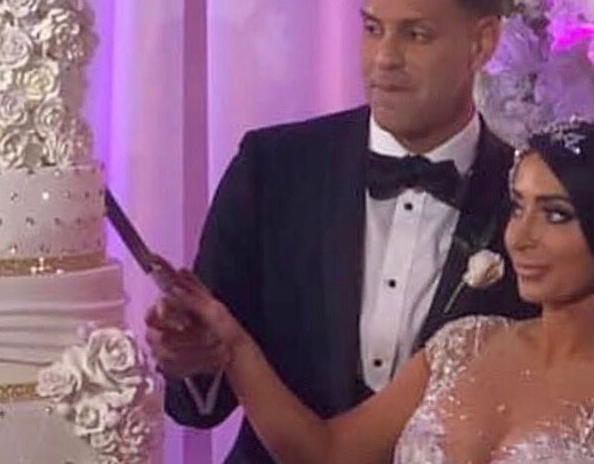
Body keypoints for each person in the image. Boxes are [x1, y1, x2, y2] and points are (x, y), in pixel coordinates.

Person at [148, 0, 534, 463]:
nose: (385, 58)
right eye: (373, 29)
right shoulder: (273, 168)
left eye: (416, 35)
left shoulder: (529, 198)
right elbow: (200, 397)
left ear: (482, 43)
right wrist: (189, 359)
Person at [154, 119, 594, 463]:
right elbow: (327, 453)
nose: (520, 237)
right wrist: (231, 342)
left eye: (556, 215)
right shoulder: (464, 345)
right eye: (517, 207)